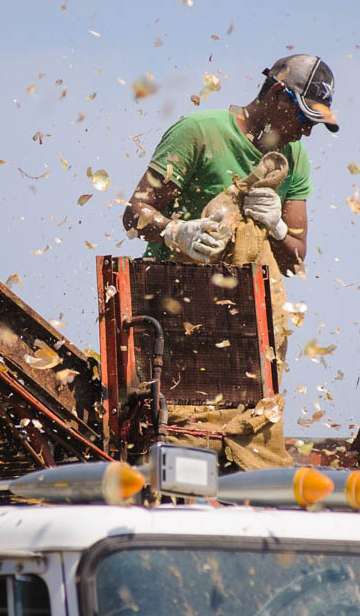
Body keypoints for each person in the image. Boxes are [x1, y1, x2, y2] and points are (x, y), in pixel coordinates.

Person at [120, 54, 339, 468]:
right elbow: (134, 213)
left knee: (249, 440)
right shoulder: (199, 132)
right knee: (170, 435)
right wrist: (174, 231)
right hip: (171, 313)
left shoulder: (293, 160)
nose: (307, 131)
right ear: (278, 94)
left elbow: (295, 258)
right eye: (304, 116)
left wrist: (276, 228)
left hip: (242, 332)